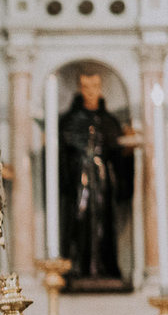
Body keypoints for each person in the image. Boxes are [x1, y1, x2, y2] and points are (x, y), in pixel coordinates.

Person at [57, 72, 134, 283]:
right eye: (86, 87)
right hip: (78, 180)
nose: (90, 92)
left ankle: (103, 266)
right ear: (80, 89)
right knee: (79, 218)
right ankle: (78, 266)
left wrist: (127, 154)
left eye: (95, 86)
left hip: (102, 180)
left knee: (103, 222)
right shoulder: (69, 121)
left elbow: (118, 157)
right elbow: (61, 158)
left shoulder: (110, 122)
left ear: (100, 89)